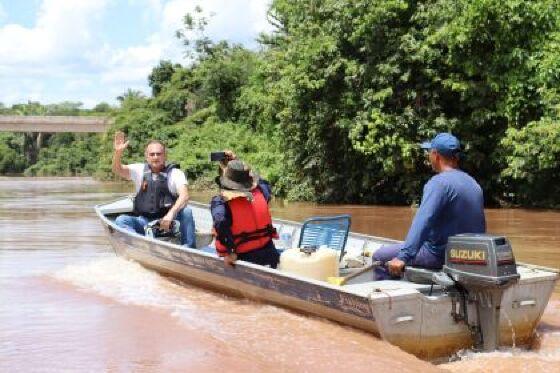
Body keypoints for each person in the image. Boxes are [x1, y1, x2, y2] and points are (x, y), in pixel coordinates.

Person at [374, 133, 486, 280]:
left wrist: (403, 257)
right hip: (470, 256)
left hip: (438, 255)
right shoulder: (473, 183)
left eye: (429, 153)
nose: (428, 157)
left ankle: (389, 297)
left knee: (380, 257)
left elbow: (423, 221)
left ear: (436, 155)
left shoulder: (439, 183)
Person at [112, 131, 196, 247]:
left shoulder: (176, 173)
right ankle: (141, 245)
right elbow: (118, 170)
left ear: (164, 156)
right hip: (144, 221)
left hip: (169, 222)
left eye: (158, 154)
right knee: (121, 220)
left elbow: (184, 196)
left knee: (187, 212)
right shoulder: (139, 170)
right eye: (152, 154)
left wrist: (170, 215)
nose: (155, 157)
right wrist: (118, 153)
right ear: (146, 157)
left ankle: (188, 247)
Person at [210, 151, 280, 268]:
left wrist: (230, 251)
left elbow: (220, 223)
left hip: (244, 260)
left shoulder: (220, 202)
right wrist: (239, 164)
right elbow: (261, 181)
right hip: (270, 255)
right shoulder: (262, 191)